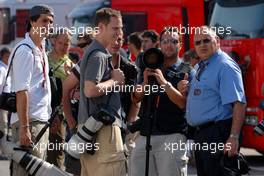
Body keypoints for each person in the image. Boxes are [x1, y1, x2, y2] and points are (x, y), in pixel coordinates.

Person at [178, 26, 246, 176]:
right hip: (203, 134)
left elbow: (239, 103)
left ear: (217, 41)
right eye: (198, 42)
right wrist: (187, 90)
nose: (202, 45)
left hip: (218, 133)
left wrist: (233, 137)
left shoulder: (225, 66)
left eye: (206, 40)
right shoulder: (201, 65)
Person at [130, 27, 193, 176]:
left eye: (173, 41)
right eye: (165, 41)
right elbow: (135, 98)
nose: (169, 45)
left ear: (180, 45)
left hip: (172, 134)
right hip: (146, 134)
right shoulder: (150, 63)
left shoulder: (186, 69)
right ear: (160, 44)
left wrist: (164, 82)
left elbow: (183, 103)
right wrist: (145, 83)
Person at [78, 8, 126, 176]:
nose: (119, 32)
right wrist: (115, 80)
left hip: (92, 131)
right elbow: (90, 90)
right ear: (101, 27)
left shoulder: (94, 52)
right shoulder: (98, 55)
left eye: (120, 28)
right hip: (103, 133)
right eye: (115, 28)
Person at [8, 5, 54, 176]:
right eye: (44, 21)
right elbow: (22, 91)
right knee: (25, 172)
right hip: (29, 123)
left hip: (39, 121)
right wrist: (24, 127)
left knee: (37, 172)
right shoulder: (25, 51)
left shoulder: (41, 49)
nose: (48, 25)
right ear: (32, 22)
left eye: (51, 22)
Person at [46, 28, 74, 169]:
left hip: (60, 116)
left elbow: (71, 93)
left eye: (67, 43)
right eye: (60, 43)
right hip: (44, 114)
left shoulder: (70, 64)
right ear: (54, 42)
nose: (63, 47)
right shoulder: (45, 59)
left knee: (56, 156)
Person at [0, 47, 11, 137]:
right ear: (2, 57)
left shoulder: (6, 68)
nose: (9, 59)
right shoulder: (1, 69)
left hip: (5, 106)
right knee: (3, 129)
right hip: (1, 106)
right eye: (7, 56)